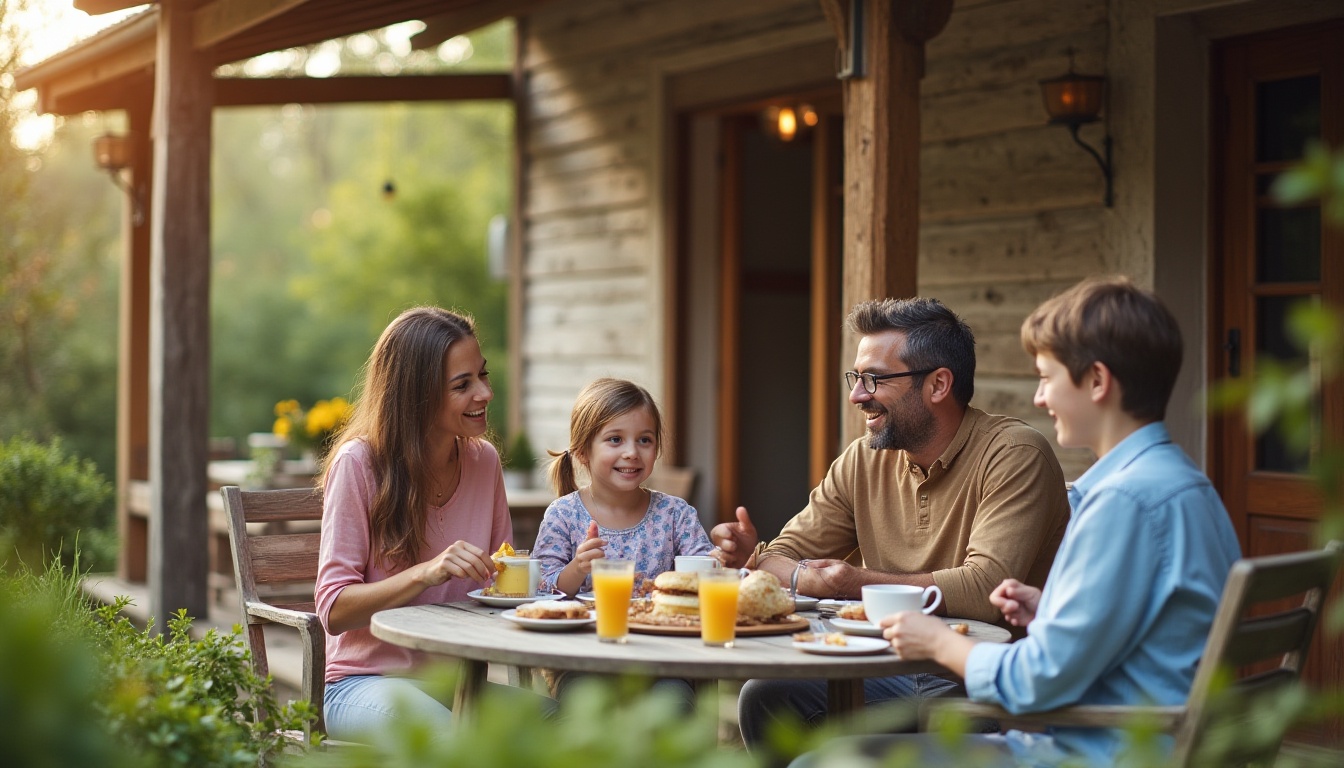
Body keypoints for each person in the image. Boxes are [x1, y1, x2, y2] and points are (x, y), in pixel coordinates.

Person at [801, 277, 1242, 767]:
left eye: (1047, 377)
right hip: (1133, 740)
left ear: (1097, 381)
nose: (1038, 398)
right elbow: (1146, 630)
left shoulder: (1124, 501)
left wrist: (939, 642)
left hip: (1097, 752)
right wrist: (1051, 610)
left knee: (820, 763)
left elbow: (1036, 680)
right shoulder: (1182, 485)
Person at [711, 296, 1071, 747]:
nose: (856, 395)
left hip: (976, 678)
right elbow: (779, 557)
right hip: (876, 666)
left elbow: (987, 591)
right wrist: (774, 565)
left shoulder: (1015, 454)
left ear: (938, 384)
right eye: (856, 377)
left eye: (874, 379)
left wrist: (849, 582)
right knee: (765, 696)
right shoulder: (863, 459)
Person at [315, 306, 546, 741]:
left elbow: (501, 583)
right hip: (363, 684)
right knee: (453, 740)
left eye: (483, 374)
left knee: (564, 722)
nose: (485, 393)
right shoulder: (359, 465)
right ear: (416, 395)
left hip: (457, 686)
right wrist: (427, 572)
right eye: (463, 385)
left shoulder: (484, 461)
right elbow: (334, 610)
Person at [533, 377, 713, 700]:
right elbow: (539, 592)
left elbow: (705, 573)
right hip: (582, 661)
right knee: (584, 704)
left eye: (644, 440)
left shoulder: (675, 515)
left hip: (662, 662)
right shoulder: (562, 516)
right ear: (582, 451)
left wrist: (719, 560)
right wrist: (578, 567)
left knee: (675, 703)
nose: (632, 452)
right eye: (615, 439)